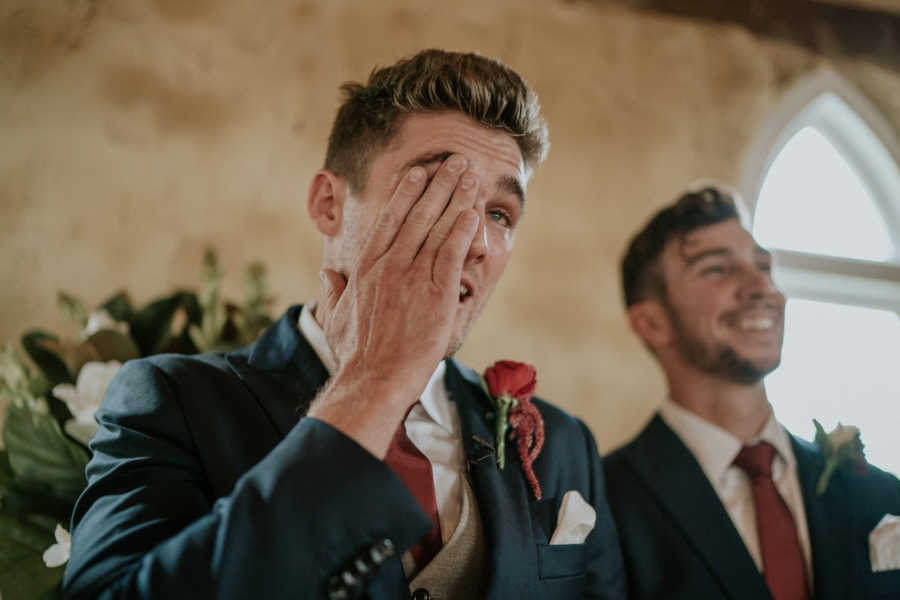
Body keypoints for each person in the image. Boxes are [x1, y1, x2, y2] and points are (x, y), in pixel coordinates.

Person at [63, 49, 627, 600]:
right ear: (329, 205)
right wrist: (375, 380)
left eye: (499, 214)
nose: (474, 243)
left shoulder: (563, 446)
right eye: (435, 193)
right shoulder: (172, 402)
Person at [603, 186, 900, 599]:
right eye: (718, 269)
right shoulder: (606, 503)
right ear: (652, 323)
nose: (762, 287)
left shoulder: (878, 493)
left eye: (763, 266)